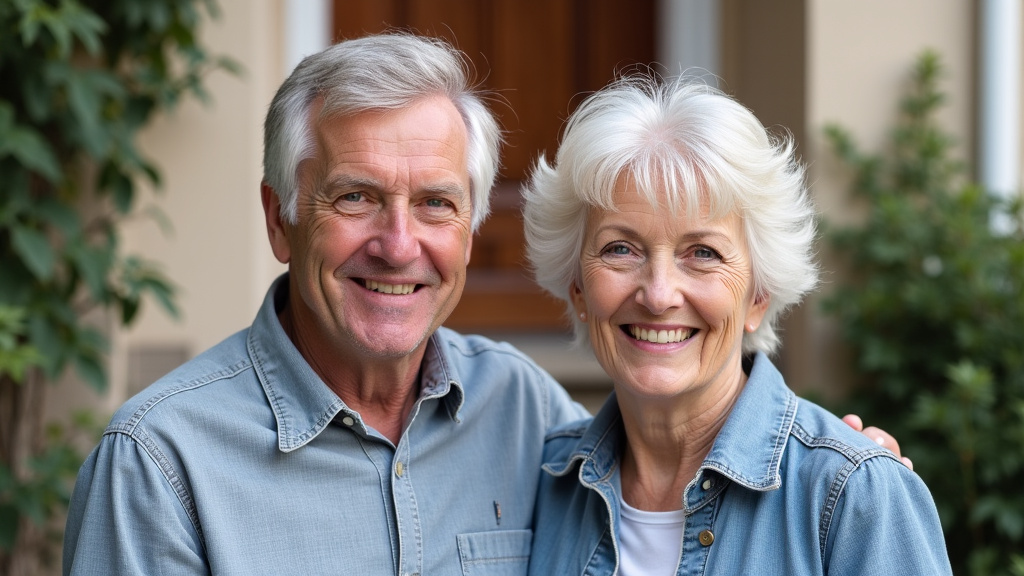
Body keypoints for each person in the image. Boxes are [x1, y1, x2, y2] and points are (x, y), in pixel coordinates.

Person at [62, 33, 906, 575]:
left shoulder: (530, 422)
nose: (399, 245)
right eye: (355, 197)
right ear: (280, 219)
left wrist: (848, 476)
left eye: (435, 203)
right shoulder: (160, 465)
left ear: (470, 232)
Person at [522, 75, 950, 575]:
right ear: (578, 289)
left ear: (758, 296)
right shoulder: (541, 482)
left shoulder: (849, 496)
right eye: (621, 249)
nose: (659, 294)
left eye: (702, 253)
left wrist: (866, 483)